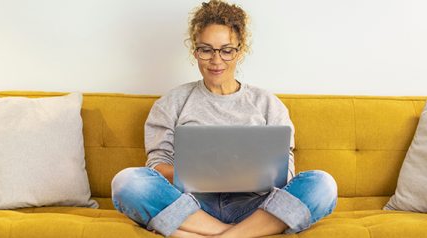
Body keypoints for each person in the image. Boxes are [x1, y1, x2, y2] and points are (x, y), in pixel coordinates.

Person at [111, 1, 337, 237]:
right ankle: (239, 233)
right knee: (127, 182)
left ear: (240, 50)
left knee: (323, 185)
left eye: (226, 50)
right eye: (206, 50)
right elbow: (156, 167)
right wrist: (201, 174)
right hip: (192, 206)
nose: (216, 61)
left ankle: (196, 232)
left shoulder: (268, 104)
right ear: (195, 50)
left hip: (256, 208)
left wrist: (250, 174)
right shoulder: (172, 103)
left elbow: (286, 175)